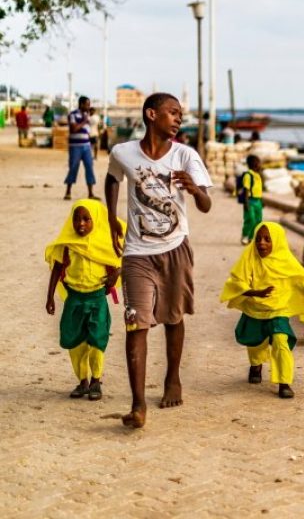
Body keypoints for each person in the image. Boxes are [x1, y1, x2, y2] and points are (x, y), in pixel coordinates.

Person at [105, 92, 212, 429]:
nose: (179, 119)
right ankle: (138, 405)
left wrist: (194, 190)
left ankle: (173, 378)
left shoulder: (186, 155)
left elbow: (207, 205)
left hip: (175, 248)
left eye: (181, 114)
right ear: (152, 115)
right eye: (173, 112)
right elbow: (112, 179)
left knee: (173, 317)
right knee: (136, 322)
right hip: (137, 253)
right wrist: (110, 217)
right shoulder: (123, 152)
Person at [220, 222, 304, 398]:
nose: (262, 243)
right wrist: (255, 292)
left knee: (281, 341)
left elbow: (302, 279)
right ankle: (256, 365)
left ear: (277, 242)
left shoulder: (286, 260)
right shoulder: (249, 257)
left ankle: (283, 382)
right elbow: (236, 281)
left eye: (267, 239)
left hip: (278, 309)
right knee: (255, 342)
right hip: (254, 308)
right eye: (258, 239)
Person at [45, 199, 125, 401]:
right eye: (77, 219)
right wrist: (50, 297)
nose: (81, 224)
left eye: (86, 219)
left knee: (97, 340)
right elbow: (56, 269)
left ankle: (96, 380)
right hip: (74, 299)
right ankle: (82, 381)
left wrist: (117, 273)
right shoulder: (67, 245)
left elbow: (126, 258)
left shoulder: (106, 243)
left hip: (97, 298)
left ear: (95, 220)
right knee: (76, 342)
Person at [64, 96, 98, 201]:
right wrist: (85, 120)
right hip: (75, 147)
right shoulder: (73, 115)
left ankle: (91, 193)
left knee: (89, 167)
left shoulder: (87, 115)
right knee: (73, 167)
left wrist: (88, 116)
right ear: (81, 104)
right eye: (87, 104)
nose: (88, 106)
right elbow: (74, 129)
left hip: (86, 146)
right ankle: (68, 192)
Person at [240, 155, 263, 245]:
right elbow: (246, 190)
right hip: (250, 201)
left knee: (258, 220)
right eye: (258, 163)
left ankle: (252, 237)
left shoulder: (257, 175)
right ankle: (245, 235)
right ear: (253, 164)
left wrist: (262, 201)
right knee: (250, 219)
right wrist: (246, 203)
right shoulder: (248, 175)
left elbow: (260, 189)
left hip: (258, 201)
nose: (260, 165)